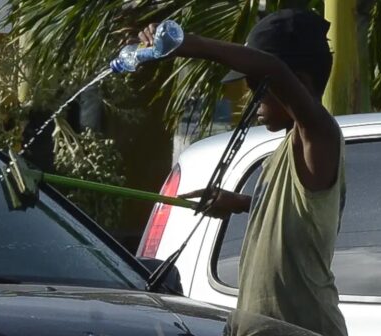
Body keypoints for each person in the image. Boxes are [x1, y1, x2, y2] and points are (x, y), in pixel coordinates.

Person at [135, 8, 348, 336]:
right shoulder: (284, 153)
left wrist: (191, 45)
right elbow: (299, 215)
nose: (252, 98)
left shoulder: (319, 137)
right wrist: (242, 203)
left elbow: (274, 69)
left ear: (299, 84)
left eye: (256, 86)